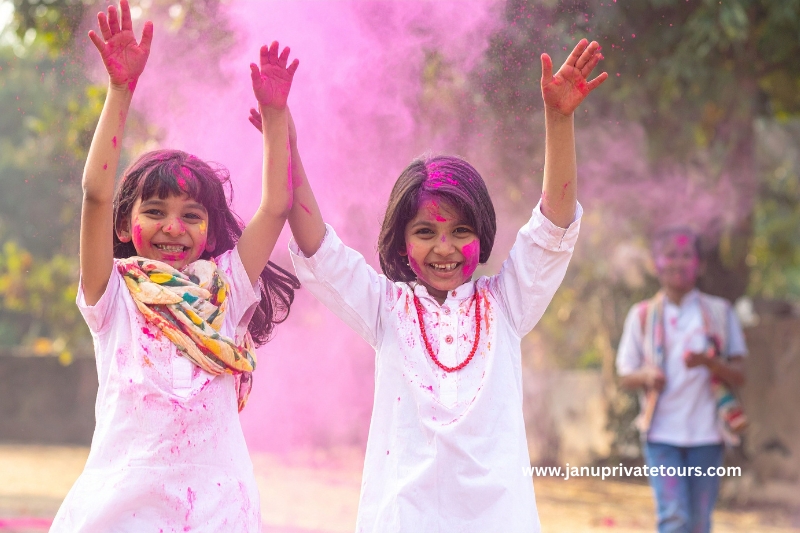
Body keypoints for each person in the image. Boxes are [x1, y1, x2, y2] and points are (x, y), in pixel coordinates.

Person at [252, 39, 606, 532]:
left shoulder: (507, 302)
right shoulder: (385, 308)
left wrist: (559, 119)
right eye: (426, 232)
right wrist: (283, 142)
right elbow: (318, 248)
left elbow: (553, 229)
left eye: (460, 231)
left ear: (481, 236)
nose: (444, 247)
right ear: (400, 245)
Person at [50, 2, 299, 530]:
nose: (173, 227)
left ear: (208, 231)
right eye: (155, 211)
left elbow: (275, 208)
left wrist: (276, 118)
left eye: (191, 215)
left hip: (217, 511)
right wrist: (120, 92)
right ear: (124, 227)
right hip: (122, 512)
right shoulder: (112, 296)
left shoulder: (226, 291)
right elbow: (96, 194)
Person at [616, 226, 748, 533]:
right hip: (662, 437)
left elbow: (740, 375)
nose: (678, 262)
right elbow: (625, 375)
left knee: (700, 524)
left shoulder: (720, 313)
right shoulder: (642, 315)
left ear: (700, 265)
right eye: (670, 254)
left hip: (708, 437)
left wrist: (709, 363)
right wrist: (647, 375)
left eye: (686, 255)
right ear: (656, 263)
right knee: (674, 518)